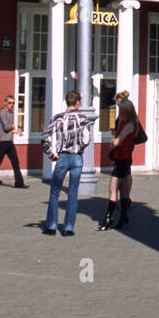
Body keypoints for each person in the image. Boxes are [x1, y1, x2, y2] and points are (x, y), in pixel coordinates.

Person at [41, 90, 91, 236]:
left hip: (62, 156)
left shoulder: (58, 118)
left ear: (66, 102)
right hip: (77, 157)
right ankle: (68, 227)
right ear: (78, 102)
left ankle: (51, 226)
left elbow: (45, 137)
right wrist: (79, 148)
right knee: (73, 192)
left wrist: (51, 154)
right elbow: (86, 140)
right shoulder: (84, 119)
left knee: (55, 190)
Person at [100, 91, 138, 230]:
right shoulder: (125, 122)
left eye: (120, 109)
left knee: (113, 188)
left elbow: (117, 141)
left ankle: (110, 218)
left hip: (123, 157)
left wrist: (114, 141)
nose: (118, 111)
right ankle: (122, 216)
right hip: (122, 157)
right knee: (122, 188)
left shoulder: (128, 124)